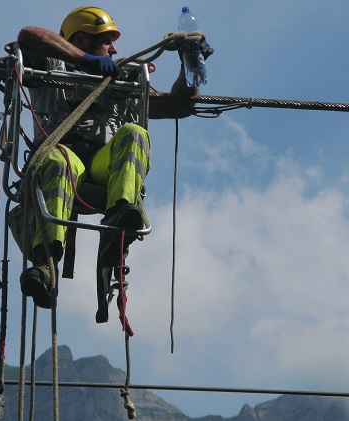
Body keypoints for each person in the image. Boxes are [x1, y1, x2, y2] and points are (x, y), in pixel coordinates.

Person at [16, 6, 211, 309]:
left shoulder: (118, 81)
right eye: (107, 41)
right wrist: (85, 62)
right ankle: (46, 265)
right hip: (61, 161)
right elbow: (28, 35)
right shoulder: (51, 66)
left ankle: (122, 215)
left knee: (134, 132)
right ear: (81, 39)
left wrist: (191, 65)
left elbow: (178, 105)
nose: (115, 49)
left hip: (102, 169)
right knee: (57, 159)